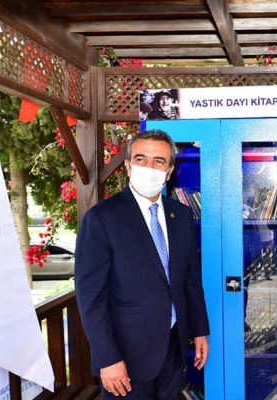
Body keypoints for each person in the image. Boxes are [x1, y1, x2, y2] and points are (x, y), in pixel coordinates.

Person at [75, 129, 210, 400]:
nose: (150, 167)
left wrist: (200, 331)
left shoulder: (181, 215)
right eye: (141, 159)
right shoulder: (102, 218)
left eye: (159, 161)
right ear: (128, 166)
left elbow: (190, 280)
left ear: (169, 172)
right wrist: (107, 359)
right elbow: (91, 298)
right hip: (125, 358)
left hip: (173, 349)